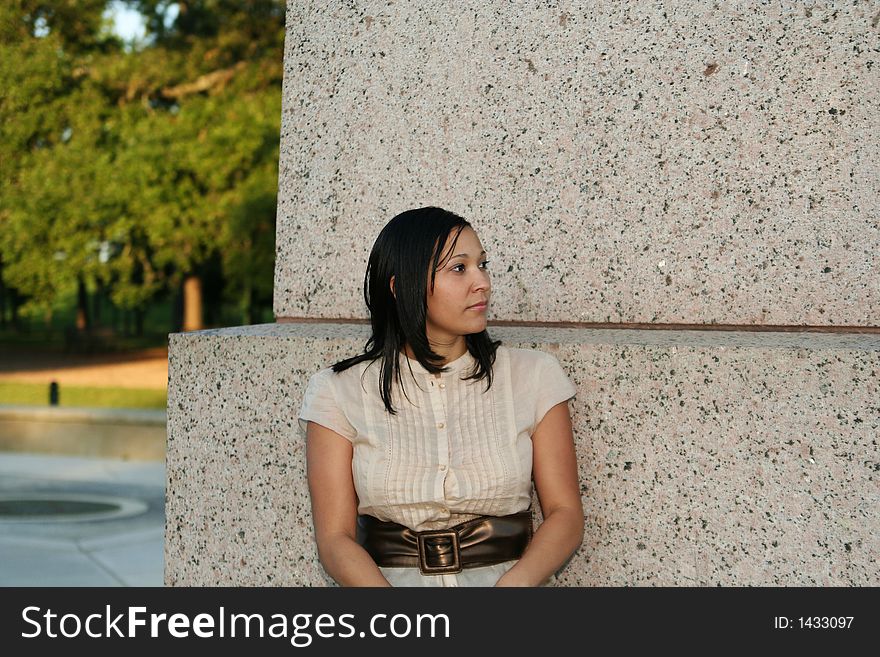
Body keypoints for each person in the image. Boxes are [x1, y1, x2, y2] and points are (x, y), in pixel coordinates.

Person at [298, 206, 583, 586]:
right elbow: (335, 538)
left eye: (483, 264)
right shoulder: (338, 391)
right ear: (402, 288)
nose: (482, 282)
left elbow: (565, 513)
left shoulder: (533, 376)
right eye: (459, 268)